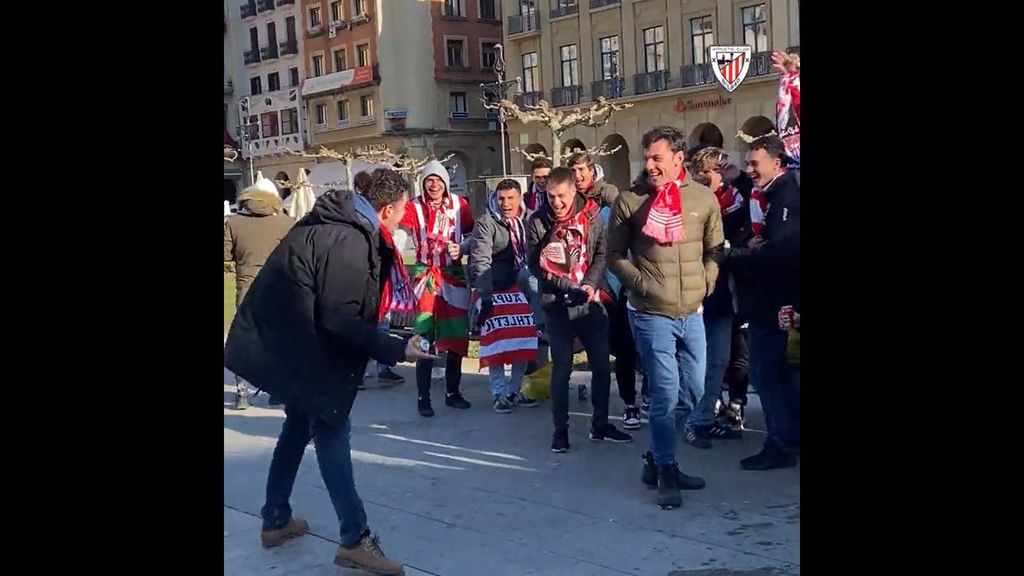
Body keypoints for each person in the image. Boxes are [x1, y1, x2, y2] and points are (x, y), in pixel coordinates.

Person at [224, 169, 433, 575]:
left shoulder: (337, 223)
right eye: (404, 210)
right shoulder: (350, 240)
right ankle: (356, 539)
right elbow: (339, 319)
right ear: (387, 209)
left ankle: (275, 518)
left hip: (293, 345)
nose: (404, 217)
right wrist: (396, 348)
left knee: (297, 428)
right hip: (307, 351)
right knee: (332, 434)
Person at [607, 126, 722, 509]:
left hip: (693, 311)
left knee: (693, 392)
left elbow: (714, 247)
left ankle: (655, 458)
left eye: (657, 157)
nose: (650, 165)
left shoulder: (704, 198)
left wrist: (708, 280)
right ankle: (667, 471)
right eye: (647, 158)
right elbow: (614, 255)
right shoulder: (630, 200)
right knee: (666, 394)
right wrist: (641, 284)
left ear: (678, 157)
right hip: (650, 312)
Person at [526, 166, 632, 453]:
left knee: (600, 366)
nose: (556, 203)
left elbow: (601, 254)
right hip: (557, 304)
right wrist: (565, 285)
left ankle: (600, 425)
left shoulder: (593, 216)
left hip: (589, 300)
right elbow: (536, 264)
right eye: (550, 196)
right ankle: (560, 431)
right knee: (562, 368)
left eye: (561, 196)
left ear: (574, 191)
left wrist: (587, 285)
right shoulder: (537, 221)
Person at [721, 134, 800, 471]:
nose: (750, 170)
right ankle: (787, 437)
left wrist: (731, 255)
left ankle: (779, 443)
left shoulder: (786, 196)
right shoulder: (764, 195)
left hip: (776, 302)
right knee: (779, 374)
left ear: (777, 164)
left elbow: (779, 252)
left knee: (766, 373)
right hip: (771, 301)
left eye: (756, 164)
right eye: (749, 163)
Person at [681, 147, 750, 448]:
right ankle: (695, 419)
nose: (716, 177)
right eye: (709, 172)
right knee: (697, 361)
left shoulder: (736, 200)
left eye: (719, 171)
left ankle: (706, 416)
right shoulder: (692, 204)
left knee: (718, 359)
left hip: (722, 294)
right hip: (695, 292)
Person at [399, 160, 476, 417]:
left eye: (438, 180)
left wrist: (462, 247)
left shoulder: (460, 205)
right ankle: (423, 398)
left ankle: (453, 393)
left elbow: (473, 234)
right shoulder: (413, 207)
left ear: (445, 182)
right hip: (425, 276)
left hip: (452, 274)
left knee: (455, 335)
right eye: (429, 180)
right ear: (423, 183)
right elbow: (397, 228)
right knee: (424, 336)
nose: (434, 184)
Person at [468, 179, 540, 413]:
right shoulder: (487, 221)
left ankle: (513, 390)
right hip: (495, 285)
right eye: (501, 199)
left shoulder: (531, 219)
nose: (506, 204)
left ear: (520, 198)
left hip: (523, 285)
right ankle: (499, 393)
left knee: (524, 338)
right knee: (496, 340)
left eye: (511, 198)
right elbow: (481, 258)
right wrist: (485, 296)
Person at [223, 173, 294, 410]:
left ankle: (242, 392)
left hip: (247, 288)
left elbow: (224, 255)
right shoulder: (287, 222)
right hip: (279, 288)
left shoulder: (232, 222)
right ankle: (277, 391)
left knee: (244, 341)